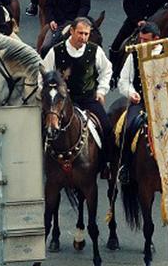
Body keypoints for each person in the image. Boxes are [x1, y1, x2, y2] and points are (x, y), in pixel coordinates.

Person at [41, 16, 114, 174]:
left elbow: (107, 70)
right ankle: (41, 163)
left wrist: (101, 91)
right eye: (80, 33)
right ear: (72, 31)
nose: (83, 37)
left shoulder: (95, 51)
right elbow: (43, 74)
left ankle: (107, 164)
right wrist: (47, 96)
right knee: (41, 127)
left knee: (107, 127)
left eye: (86, 34)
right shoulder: (56, 51)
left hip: (87, 99)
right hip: (62, 102)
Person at [115, 21, 161, 173]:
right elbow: (124, 81)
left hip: (164, 104)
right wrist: (131, 93)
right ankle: (126, 166)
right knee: (128, 127)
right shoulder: (134, 54)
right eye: (140, 39)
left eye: (146, 40)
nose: (141, 43)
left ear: (156, 39)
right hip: (140, 102)